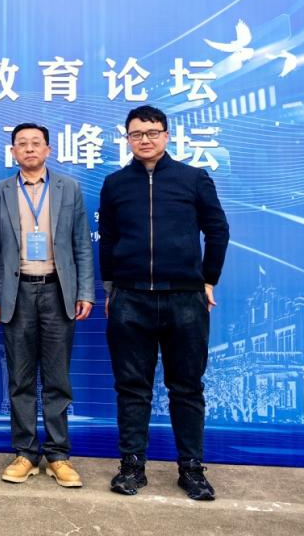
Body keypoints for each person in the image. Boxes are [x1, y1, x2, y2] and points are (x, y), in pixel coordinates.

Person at [99, 105, 229, 501]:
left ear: (167, 136)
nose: (145, 140)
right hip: (130, 297)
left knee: (186, 388)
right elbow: (107, 239)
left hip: (185, 299)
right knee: (132, 388)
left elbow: (218, 230)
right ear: (127, 139)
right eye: (136, 134)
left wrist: (208, 279)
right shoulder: (115, 184)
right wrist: (111, 287)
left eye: (152, 132)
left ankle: (191, 469)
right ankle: (131, 466)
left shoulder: (193, 178)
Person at [0, 122, 95, 486]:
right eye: (22, 144)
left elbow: (81, 244)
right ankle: (26, 453)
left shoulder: (69, 188)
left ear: (48, 150)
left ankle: (59, 455)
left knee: (58, 378)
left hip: (58, 292)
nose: (29, 149)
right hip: (17, 294)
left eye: (36, 143)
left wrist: (85, 291)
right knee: (21, 378)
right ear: (13, 151)